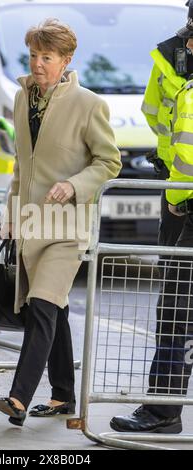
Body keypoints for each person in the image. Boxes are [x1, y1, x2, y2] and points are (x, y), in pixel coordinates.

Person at [0, 18, 121, 427]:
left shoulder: (89, 104)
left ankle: (18, 397)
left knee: (42, 307)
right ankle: (64, 395)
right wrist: (11, 216)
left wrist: (74, 184)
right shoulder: (21, 98)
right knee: (57, 310)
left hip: (66, 228)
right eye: (33, 55)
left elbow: (109, 162)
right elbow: (20, 164)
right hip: (31, 224)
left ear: (66, 60)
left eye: (46, 57)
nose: (37, 64)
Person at [110, 9, 193, 435]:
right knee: (176, 311)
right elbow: (161, 120)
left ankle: (163, 410)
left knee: (177, 310)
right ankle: (163, 409)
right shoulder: (168, 56)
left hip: (182, 198)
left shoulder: (171, 56)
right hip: (180, 199)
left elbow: (163, 120)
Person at [142, 0, 193, 249]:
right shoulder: (166, 57)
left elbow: (151, 111)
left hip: (174, 171)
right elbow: (151, 110)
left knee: (173, 254)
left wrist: (172, 145)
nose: (189, 43)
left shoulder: (166, 57)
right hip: (175, 173)